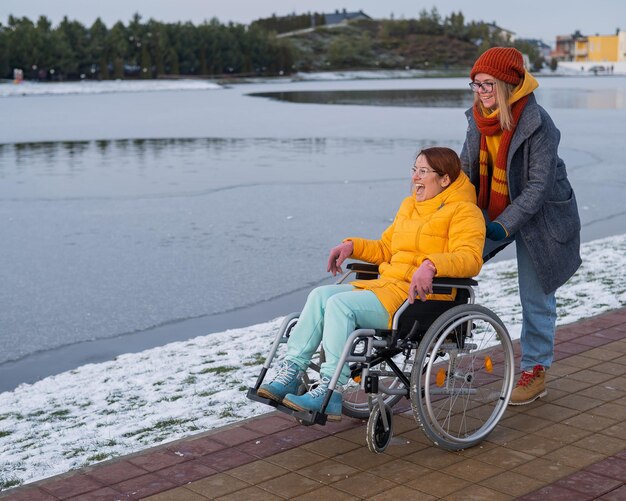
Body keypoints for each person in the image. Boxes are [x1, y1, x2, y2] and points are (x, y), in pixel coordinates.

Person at [257, 146, 486, 420]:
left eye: (423, 171)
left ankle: (331, 389)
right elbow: (385, 249)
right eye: (414, 170)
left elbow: (470, 258)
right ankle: (292, 371)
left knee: (340, 305)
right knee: (321, 295)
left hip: (421, 299)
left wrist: (432, 264)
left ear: (445, 179)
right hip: (388, 288)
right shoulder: (409, 206)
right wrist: (351, 246)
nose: (415, 177)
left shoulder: (465, 212)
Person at [461, 47, 581, 405]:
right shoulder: (477, 120)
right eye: (476, 84)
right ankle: (430, 334)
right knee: (449, 259)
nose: (480, 92)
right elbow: (467, 174)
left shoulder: (538, 123)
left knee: (535, 296)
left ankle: (535, 370)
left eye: (487, 85)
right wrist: (445, 208)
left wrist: (502, 227)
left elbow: (537, 188)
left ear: (507, 84)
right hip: (493, 205)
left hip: (542, 216)